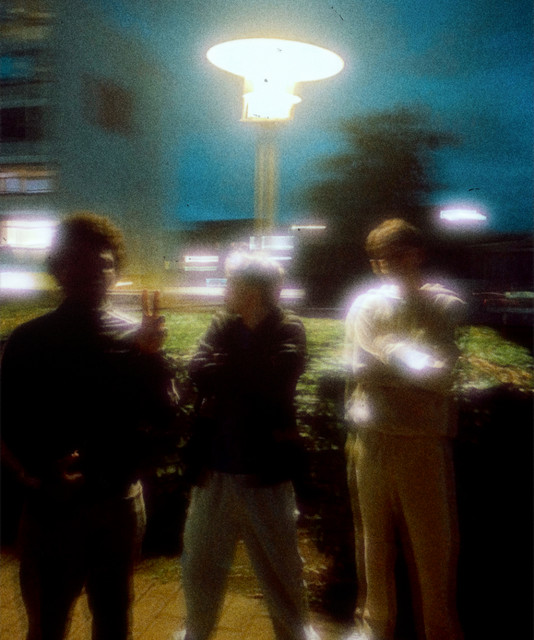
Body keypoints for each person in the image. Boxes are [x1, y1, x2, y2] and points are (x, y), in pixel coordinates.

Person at [0, 212, 178, 640]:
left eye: (105, 264)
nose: (96, 273)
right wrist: (35, 474)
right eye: (80, 262)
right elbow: (7, 420)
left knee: (114, 622)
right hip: (50, 511)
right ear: (59, 269)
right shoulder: (29, 339)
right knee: (47, 626)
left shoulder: (134, 339)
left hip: (118, 506)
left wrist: (152, 356)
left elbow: (163, 417)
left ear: (116, 272)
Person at [175, 252, 318, 640]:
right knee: (199, 568)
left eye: (230, 282)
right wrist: (247, 370)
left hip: (265, 474)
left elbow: (275, 383)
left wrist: (225, 369)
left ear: (251, 290)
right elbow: (197, 370)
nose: (224, 290)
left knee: (282, 573)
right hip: (213, 472)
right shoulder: (222, 324)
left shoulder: (289, 328)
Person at [343, 219, 465, 640]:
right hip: (370, 439)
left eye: (395, 255)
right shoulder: (364, 306)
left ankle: (439, 631)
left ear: (418, 254)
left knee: (432, 551)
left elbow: (441, 376)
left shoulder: (443, 305)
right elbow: (360, 369)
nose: (385, 265)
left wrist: (388, 352)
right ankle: (374, 629)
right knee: (373, 546)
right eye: (378, 258)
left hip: (422, 444)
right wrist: (413, 365)